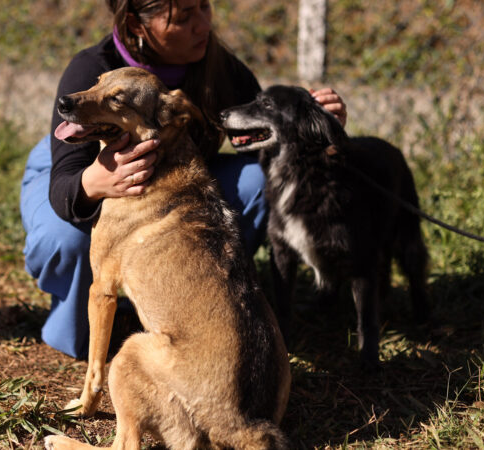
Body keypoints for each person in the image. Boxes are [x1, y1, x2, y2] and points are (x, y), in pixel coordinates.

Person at [20, 0, 347, 359]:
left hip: (172, 179)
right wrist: (95, 181)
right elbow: (63, 187)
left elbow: (265, 144)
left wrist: (314, 128)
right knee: (66, 241)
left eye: (204, 7)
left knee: (256, 182)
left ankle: (197, 299)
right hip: (77, 171)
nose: (203, 24)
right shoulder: (92, 68)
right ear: (137, 24)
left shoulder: (218, 67)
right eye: (184, 17)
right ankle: (78, 317)